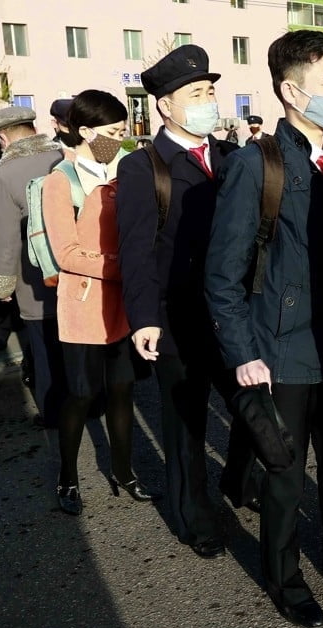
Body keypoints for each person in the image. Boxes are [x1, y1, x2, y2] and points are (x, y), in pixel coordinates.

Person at [205, 30, 323, 628]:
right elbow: (222, 274)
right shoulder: (256, 164)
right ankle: (283, 574)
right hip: (282, 346)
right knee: (284, 471)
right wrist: (243, 353)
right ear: (291, 91)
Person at [116, 44, 257, 559]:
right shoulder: (142, 167)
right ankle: (195, 518)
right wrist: (144, 319)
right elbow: (135, 253)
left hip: (235, 316)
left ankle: (240, 481)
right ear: (165, 106)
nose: (207, 101)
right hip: (177, 318)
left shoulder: (233, 158)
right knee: (186, 425)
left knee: (253, 408)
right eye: (195, 93)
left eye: (210, 91)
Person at [43, 89, 156, 515]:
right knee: (81, 393)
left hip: (124, 307)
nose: (119, 138)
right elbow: (66, 253)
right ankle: (68, 477)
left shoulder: (127, 172)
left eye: (123, 130)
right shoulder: (61, 181)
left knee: (123, 391)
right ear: (85, 131)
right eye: (111, 132)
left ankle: (125, 472)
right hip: (85, 306)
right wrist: (127, 265)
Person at [0, 107, 67, 429]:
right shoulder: (64, 157)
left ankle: (53, 412)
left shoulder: (3, 176)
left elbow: (5, 240)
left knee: (45, 351)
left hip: (36, 278)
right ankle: (91, 401)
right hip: (80, 272)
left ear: (2, 138)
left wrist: (0, 287)